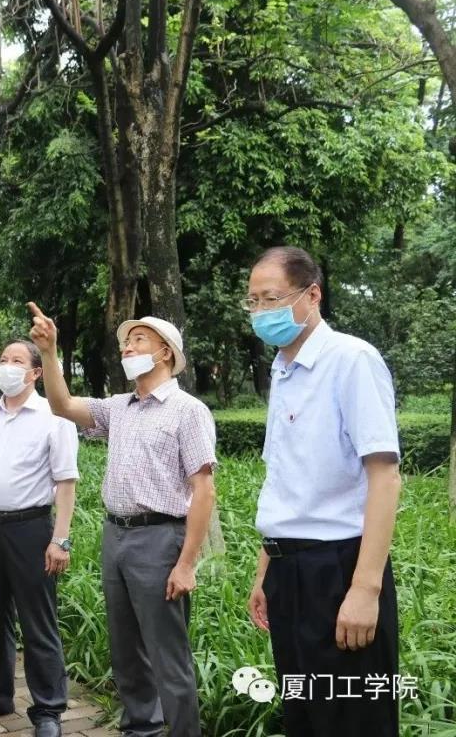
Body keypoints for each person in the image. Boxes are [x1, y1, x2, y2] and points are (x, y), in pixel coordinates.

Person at [28, 303, 217, 737]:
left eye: (138, 340)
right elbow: (62, 405)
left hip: (160, 539)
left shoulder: (188, 410)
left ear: (165, 352)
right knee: (126, 649)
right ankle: (140, 729)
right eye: (126, 342)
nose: (127, 348)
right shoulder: (120, 407)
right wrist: (50, 352)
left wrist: (186, 564)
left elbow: (204, 491)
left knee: (167, 654)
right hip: (116, 534)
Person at [245, 247, 401, 736]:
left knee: (353, 720)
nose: (260, 311)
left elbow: (385, 477)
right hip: (288, 572)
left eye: (272, 298)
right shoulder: (282, 368)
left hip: (339, 570)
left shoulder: (351, 360)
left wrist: (365, 589)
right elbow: (285, 478)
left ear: (312, 295)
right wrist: (266, 570)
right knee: (306, 717)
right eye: (253, 301)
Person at [0, 340, 79, 737]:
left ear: (36, 372)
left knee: (38, 621)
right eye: (4, 359)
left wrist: (60, 540)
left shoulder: (54, 417)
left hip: (30, 529)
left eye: (17, 360)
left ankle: (48, 710)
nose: (7, 365)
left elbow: (66, 482)